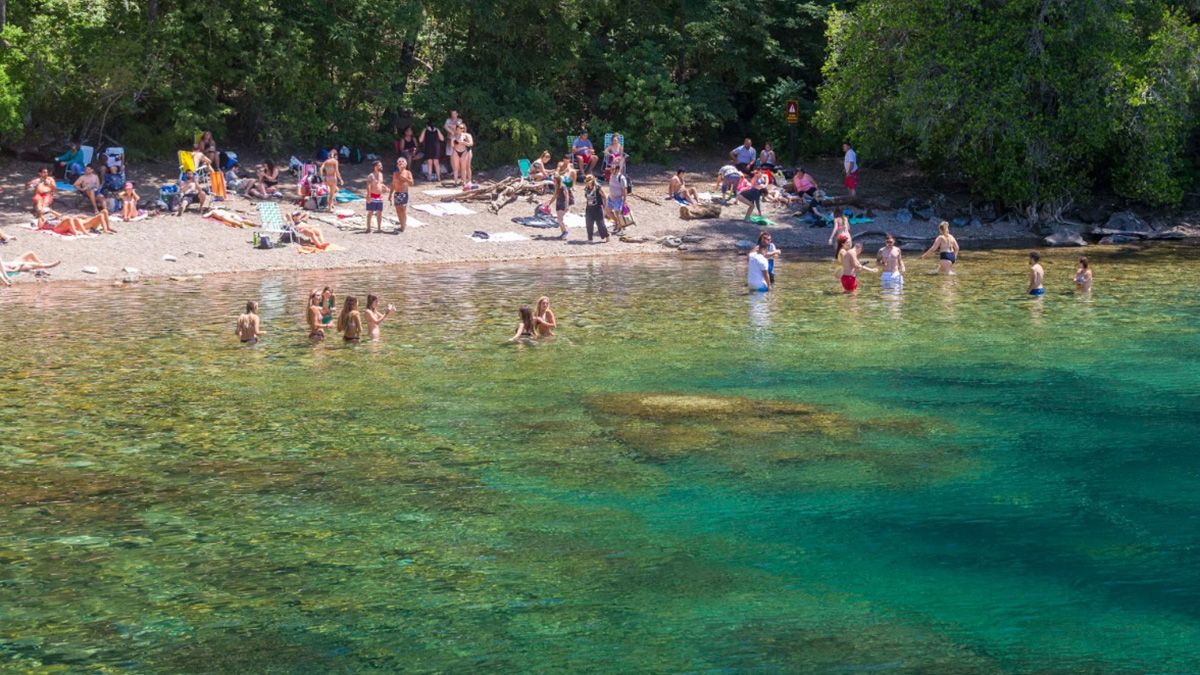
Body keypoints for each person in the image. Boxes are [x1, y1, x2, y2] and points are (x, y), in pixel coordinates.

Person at [582, 175, 610, 243]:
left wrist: (605, 207)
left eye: (589, 181)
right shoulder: (587, 188)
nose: (587, 183)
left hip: (597, 208)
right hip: (589, 208)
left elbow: (605, 197)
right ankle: (590, 238)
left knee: (600, 224)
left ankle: (606, 236)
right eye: (586, 181)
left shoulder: (598, 188)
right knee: (589, 223)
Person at [389, 157, 414, 232]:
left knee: (403, 209)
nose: (400, 162)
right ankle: (401, 225)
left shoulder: (408, 172)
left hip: (404, 193)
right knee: (398, 210)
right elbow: (393, 184)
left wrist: (405, 179)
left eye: (402, 161)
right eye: (399, 161)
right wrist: (390, 194)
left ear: (405, 164)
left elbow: (412, 183)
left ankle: (403, 226)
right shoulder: (395, 173)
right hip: (397, 193)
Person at [606, 159, 629, 233]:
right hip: (611, 197)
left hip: (618, 198)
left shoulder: (621, 178)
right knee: (608, 211)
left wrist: (625, 201)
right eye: (611, 169)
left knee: (617, 212)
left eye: (613, 169)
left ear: (617, 169)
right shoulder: (611, 175)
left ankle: (620, 226)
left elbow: (625, 190)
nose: (611, 170)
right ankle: (617, 222)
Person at [365, 160, 386, 233]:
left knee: (379, 212)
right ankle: (368, 228)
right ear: (375, 167)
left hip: (379, 196)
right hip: (372, 195)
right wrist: (368, 195)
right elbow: (368, 185)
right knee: (370, 212)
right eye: (379, 165)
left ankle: (379, 228)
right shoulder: (371, 175)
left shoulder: (381, 174)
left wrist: (385, 187)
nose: (381, 166)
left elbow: (380, 184)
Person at [320, 148, 343, 212]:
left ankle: (330, 205)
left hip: (327, 177)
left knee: (329, 192)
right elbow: (337, 171)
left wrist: (322, 176)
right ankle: (329, 208)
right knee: (331, 194)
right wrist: (340, 179)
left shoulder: (326, 161)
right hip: (333, 178)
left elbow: (321, 168)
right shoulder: (335, 161)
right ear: (334, 155)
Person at [550, 174, 570, 240]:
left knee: (560, 219)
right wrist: (549, 203)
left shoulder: (563, 187)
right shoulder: (556, 187)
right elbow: (554, 196)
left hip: (563, 204)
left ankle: (566, 231)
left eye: (554, 180)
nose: (553, 181)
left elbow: (567, 196)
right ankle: (563, 233)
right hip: (558, 204)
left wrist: (567, 206)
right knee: (559, 220)